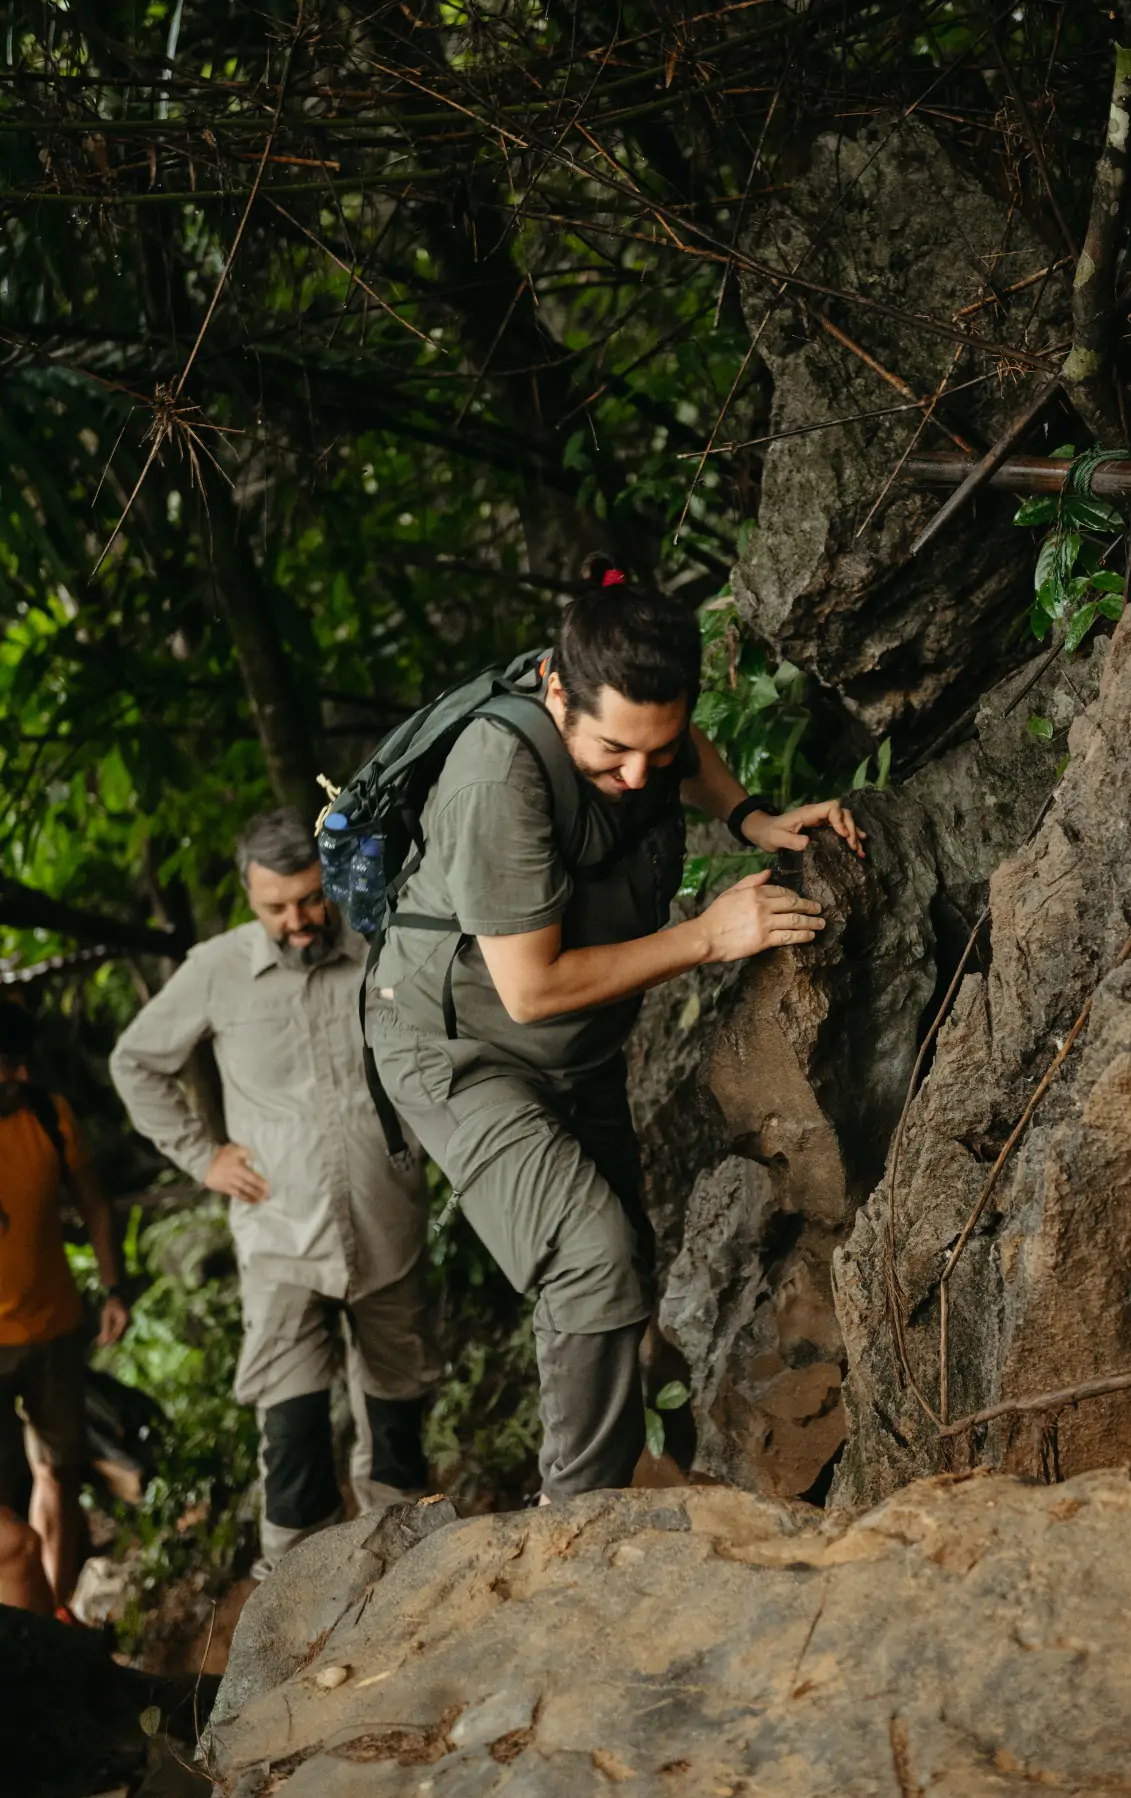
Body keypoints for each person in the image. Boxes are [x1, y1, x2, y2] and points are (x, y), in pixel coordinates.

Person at [365, 567, 864, 1504]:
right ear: (557, 687)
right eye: (611, 753)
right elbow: (532, 988)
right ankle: (573, 1531)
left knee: (626, 1257)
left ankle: (648, 1473)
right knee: (589, 1259)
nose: (639, 776)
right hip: (457, 1051)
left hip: (574, 1052)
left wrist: (748, 816)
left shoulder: (637, 726)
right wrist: (710, 937)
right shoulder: (497, 775)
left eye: (656, 747)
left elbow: (673, 747)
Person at [110, 810, 438, 1576]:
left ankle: (413, 1578)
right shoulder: (215, 969)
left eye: (310, 899)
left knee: (397, 1413)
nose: (297, 921)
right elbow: (136, 1063)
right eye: (275, 908)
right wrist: (202, 1156)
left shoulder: (379, 946)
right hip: (281, 1238)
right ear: (248, 899)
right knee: (290, 1434)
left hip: (386, 1219)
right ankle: (298, 1605)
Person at [0, 999, 130, 1616]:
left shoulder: (49, 1117)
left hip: (53, 1329)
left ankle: (54, 1616)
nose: (17, 1076)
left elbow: (96, 1205)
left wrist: (112, 1288)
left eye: (19, 1062)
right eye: (3, 1064)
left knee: (60, 1472)